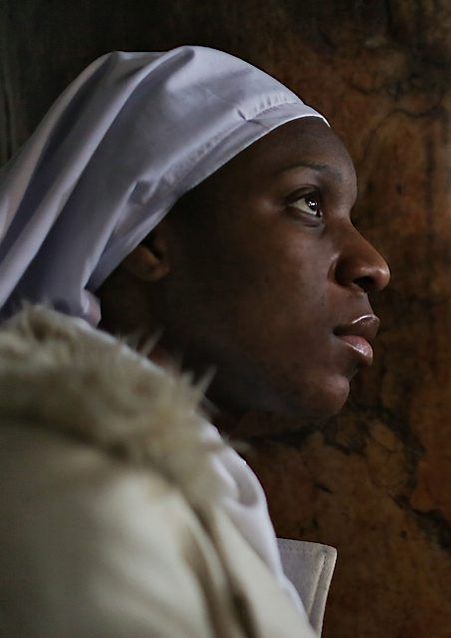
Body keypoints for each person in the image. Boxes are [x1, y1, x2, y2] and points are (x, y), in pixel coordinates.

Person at [0, 46, 390, 637]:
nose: (372, 265)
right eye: (310, 203)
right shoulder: (82, 503)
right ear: (152, 240)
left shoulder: (180, 497)